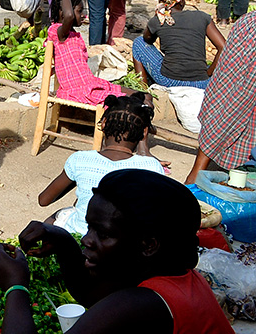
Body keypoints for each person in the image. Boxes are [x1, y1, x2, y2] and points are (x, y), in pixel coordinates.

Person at [0, 169, 234, 334]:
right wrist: (63, 240)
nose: (87, 240)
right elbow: (91, 295)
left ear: (149, 245)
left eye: (103, 234)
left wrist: (16, 286)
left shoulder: (144, 304)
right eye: (89, 227)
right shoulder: (174, 276)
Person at [38, 93, 164, 236]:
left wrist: (78, 179)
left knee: (57, 217)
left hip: (81, 235)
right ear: (144, 133)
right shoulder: (152, 167)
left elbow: (44, 200)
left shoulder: (80, 160)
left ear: (103, 123)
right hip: (124, 242)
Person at [185, 11, 256, 184]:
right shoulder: (251, 24)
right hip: (235, 93)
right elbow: (241, 89)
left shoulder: (248, 20)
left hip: (229, 92)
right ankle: (195, 178)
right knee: (230, 109)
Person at [48, 0, 139, 105]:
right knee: (134, 103)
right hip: (80, 91)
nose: (83, 15)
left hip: (91, 84)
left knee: (144, 96)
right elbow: (69, 16)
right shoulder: (57, 32)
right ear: (62, 13)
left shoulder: (73, 35)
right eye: (79, 11)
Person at [132, 0, 224, 89]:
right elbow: (224, 47)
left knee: (138, 42)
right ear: (181, 2)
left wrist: (156, 20)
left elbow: (147, 39)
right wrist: (209, 72)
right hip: (202, 82)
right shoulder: (202, 17)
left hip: (170, 80)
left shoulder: (158, 20)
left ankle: (143, 90)